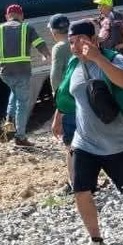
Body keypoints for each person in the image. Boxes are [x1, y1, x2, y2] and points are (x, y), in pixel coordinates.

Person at [53, 20, 123, 245]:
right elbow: (68, 94)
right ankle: (95, 239)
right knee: (80, 190)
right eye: (71, 42)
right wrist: (58, 116)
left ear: (93, 40)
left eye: (80, 41)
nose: (74, 47)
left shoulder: (113, 58)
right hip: (84, 142)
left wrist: (97, 58)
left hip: (116, 142)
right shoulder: (73, 63)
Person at [0, 4, 51, 147]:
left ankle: (9, 118)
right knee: (22, 103)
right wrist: (46, 54)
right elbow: (39, 43)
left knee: (15, 92)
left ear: (7, 16)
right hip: (22, 71)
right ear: (21, 15)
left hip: (6, 73)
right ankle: (20, 137)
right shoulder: (27, 27)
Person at [48, 14, 76, 192]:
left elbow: (56, 77)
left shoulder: (59, 47)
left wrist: (58, 106)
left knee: (71, 144)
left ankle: (74, 183)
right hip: (84, 98)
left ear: (52, 31)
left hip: (68, 101)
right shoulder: (78, 42)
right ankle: (92, 178)